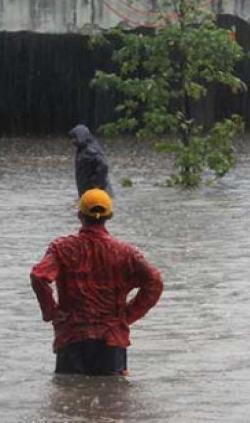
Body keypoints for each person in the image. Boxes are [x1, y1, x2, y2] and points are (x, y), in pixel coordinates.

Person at [30, 189, 162, 376]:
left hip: (72, 336)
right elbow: (154, 281)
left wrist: (51, 312)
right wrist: (128, 315)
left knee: (69, 390)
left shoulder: (62, 248)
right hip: (112, 338)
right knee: (112, 392)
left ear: (79, 215)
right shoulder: (126, 253)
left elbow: (38, 276)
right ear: (110, 216)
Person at [69, 124, 112, 197]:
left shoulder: (90, 150)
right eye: (72, 138)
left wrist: (96, 183)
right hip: (88, 192)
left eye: (75, 138)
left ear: (81, 136)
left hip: (97, 193)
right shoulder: (82, 149)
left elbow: (104, 165)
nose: (72, 141)